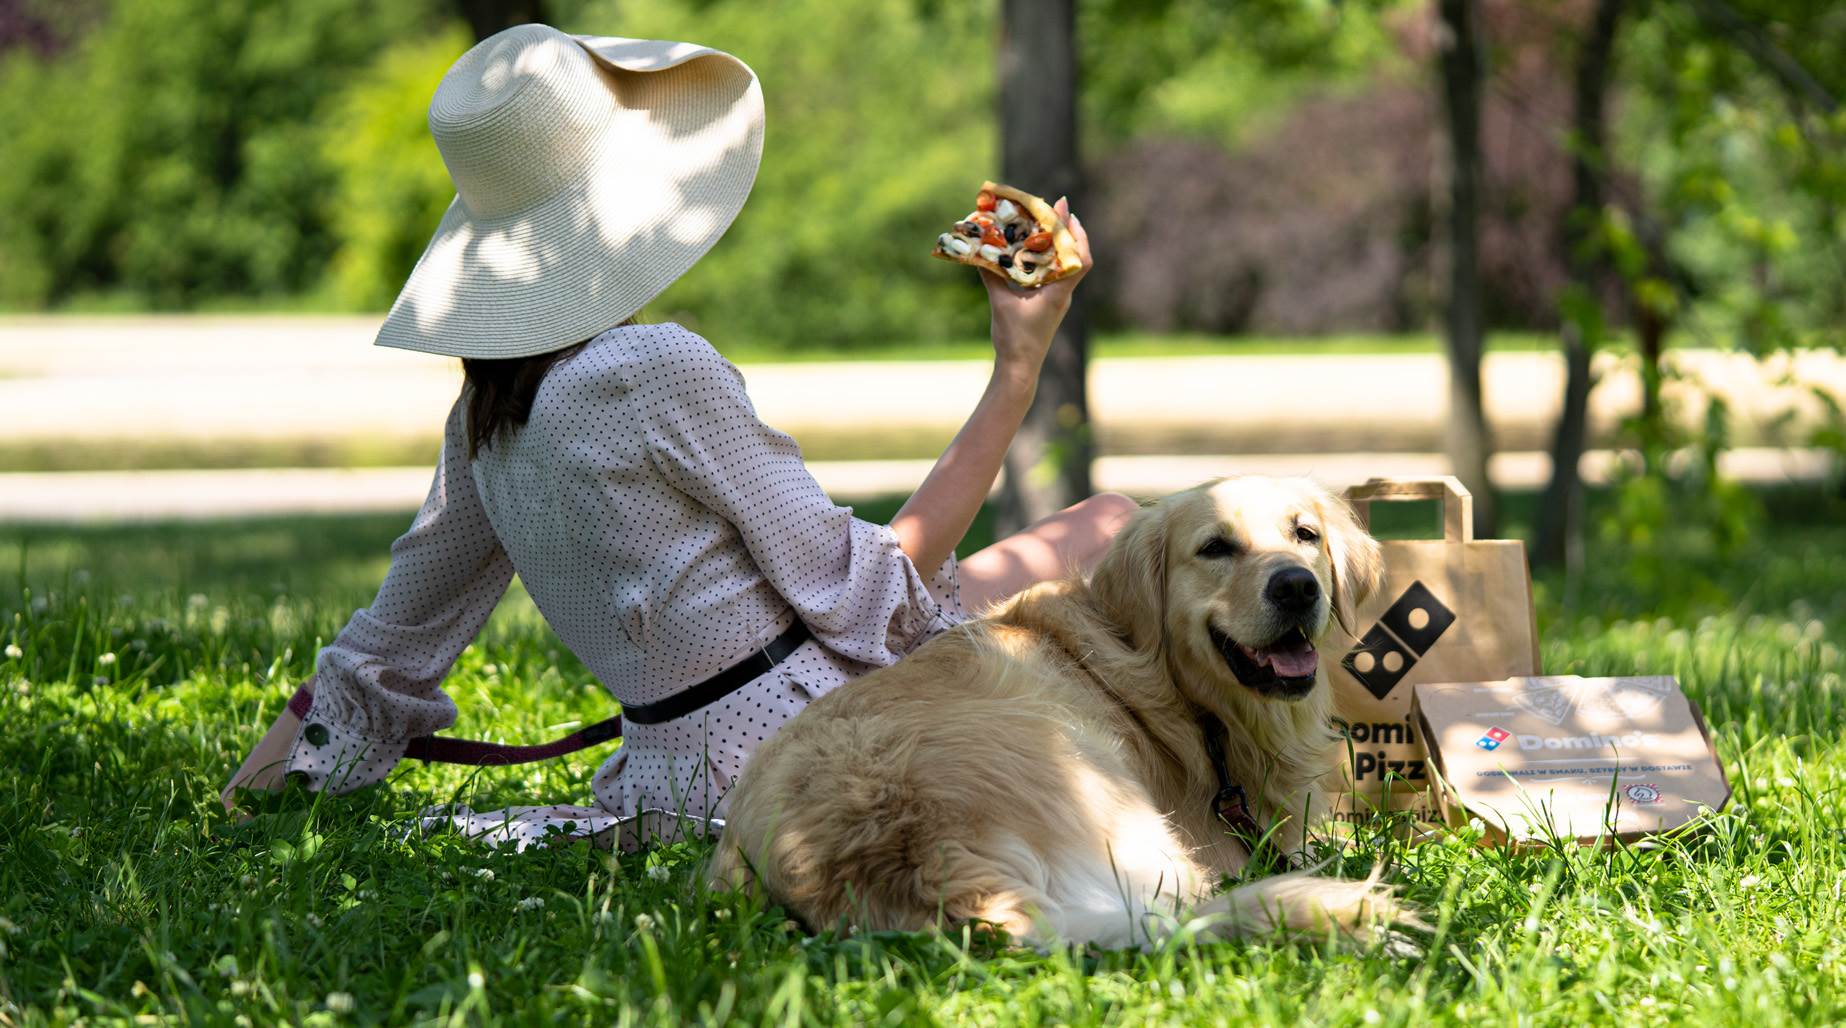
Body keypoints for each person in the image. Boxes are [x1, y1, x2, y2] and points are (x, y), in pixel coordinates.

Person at [221, 23, 1133, 845]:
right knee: (1115, 525)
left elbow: (385, 650)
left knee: (1095, 533)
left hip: (663, 786)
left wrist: (241, 810)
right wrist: (1018, 365)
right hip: (811, 751)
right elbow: (872, 599)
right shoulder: (651, 368)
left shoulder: (486, 420)